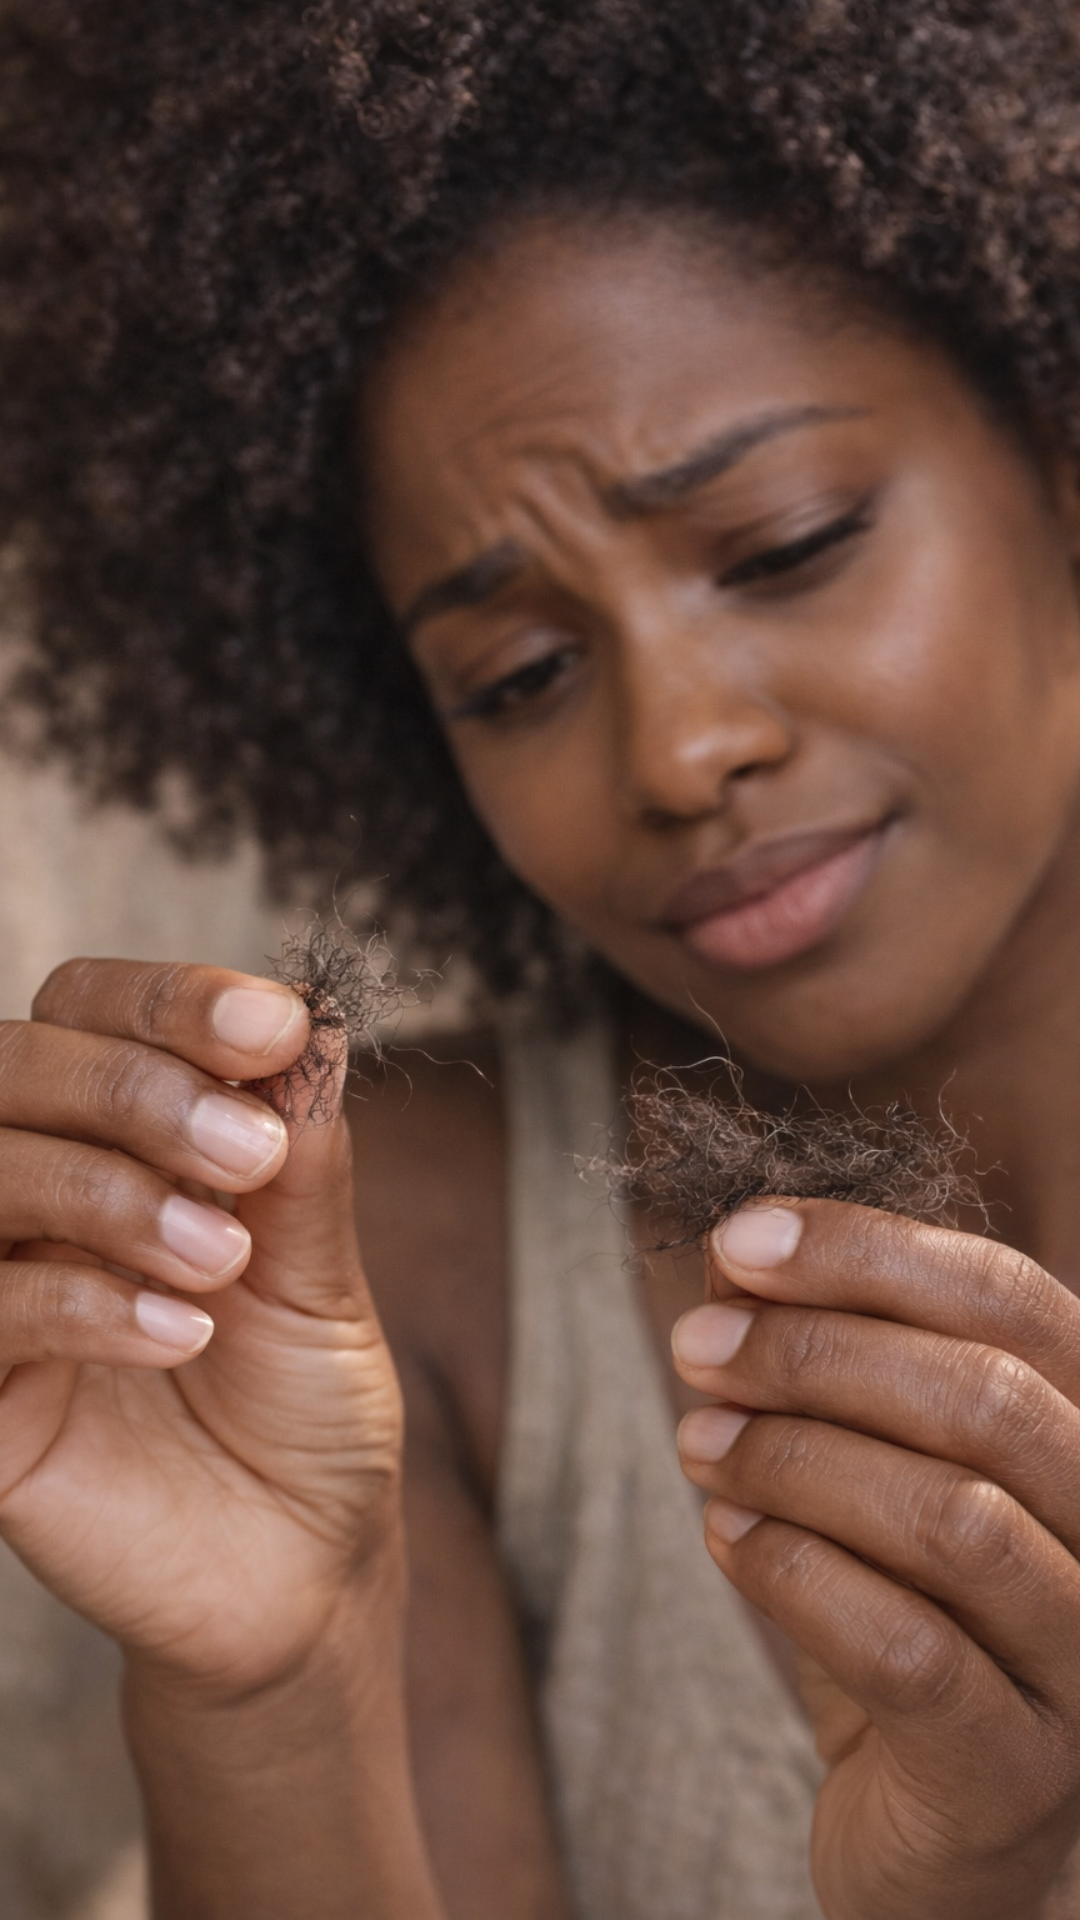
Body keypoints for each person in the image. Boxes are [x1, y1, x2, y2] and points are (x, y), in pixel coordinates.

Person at [3, 2, 1080, 1915]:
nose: (678, 754)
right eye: (520, 677)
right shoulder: (392, 1269)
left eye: (783, 542)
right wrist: (270, 1687)